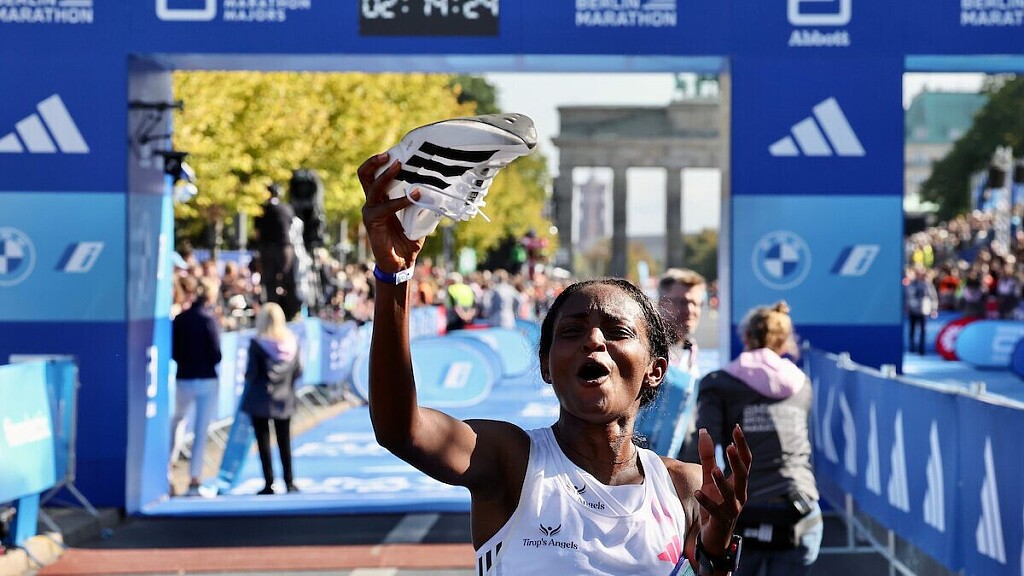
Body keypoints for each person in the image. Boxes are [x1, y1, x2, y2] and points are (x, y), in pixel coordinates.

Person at [360, 152, 752, 576]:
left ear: (656, 370)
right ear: (546, 365)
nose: (594, 341)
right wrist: (394, 277)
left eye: (618, 331)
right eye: (572, 331)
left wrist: (717, 550)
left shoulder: (687, 487)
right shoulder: (510, 460)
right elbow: (401, 429)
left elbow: (710, 568)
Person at [691, 301, 822, 576]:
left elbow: (701, 446)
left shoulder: (718, 382)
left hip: (742, 514)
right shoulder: (802, 383)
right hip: (800, 510)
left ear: (747, 337)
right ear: (783, 342)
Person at [242, 302, 303, 495]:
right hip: (285, 397)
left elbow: (251, 373)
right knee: (285, 441)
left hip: (260, 398)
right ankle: (289, 481)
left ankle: (269, 482)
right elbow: (298, 371)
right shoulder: (292, 343)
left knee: (263, 442)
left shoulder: (257, 344)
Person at [170, 276, 223, 496]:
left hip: (185, 377)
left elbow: (174, 351)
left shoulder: (181, 319)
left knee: (178, 421)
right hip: (205, 379)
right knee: (199, 429)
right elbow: (216, 353)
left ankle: (168, 468)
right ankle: (194, 478)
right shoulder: (208, 320)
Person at [255, 183, 298, 317]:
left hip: (268, 249)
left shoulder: (262, 209)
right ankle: (291, 312)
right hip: (285, 248)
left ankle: (271, 313)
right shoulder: (287, 208)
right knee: (288, 280)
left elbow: (257, 233)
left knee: (270, 283)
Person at [904, 265, 938, 355]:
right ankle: (912, 347)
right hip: (913, 310)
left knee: (923, 330)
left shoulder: (928, 285)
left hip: (924, 310)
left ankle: (921, 348)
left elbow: (933, 297)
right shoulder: (912, 284)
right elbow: (908, 296)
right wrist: (910, 307)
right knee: (912, 329)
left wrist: (934, 309)